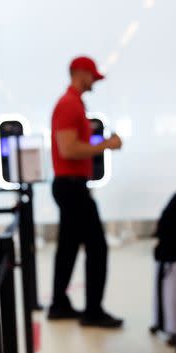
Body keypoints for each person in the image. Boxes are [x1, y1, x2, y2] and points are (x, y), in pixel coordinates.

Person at [47, 56, 124, 328]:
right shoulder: (68, 105)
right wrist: (107, 144)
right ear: (81, 73)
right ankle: (93, 311)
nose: (94, 82)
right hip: (71, 187)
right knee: (97, 246)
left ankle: (58, 304)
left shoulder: (74, 104)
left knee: (68, 246)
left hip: (71, 185)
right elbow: (68, 149)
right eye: (93, 76)